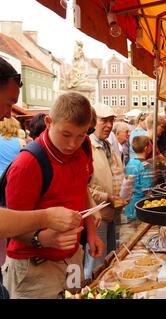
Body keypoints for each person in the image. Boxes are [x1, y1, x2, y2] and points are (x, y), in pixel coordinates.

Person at [3, 92, 104, 299]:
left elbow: (81, 187)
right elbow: (10, 227)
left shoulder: (85, 147)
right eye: (65, 134)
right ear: (49, 122)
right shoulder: (27, 164)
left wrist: (91, 232)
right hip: (34, 267)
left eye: (81, 135)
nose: (72, 144)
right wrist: (42, 239)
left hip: (72, 258)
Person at [85, 103, 124, 280]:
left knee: (109, 260)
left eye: (111, 121)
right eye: (104, 120)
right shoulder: (87, 146)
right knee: (95, 263)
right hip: (97, 216)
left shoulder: (108, 145)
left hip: (113, 211)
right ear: (93, 121)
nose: (108, 125)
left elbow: (115, 173)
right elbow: (83, 187)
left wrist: (124, 192)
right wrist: (106, 196)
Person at [123, 135, 153, 221]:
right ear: (146, 148)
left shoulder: (130, 162)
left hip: (129, 205)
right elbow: (147, 189)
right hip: (140, 206)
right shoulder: (145, 165)